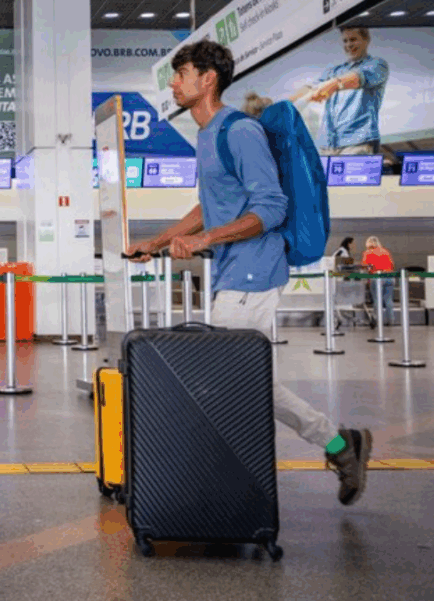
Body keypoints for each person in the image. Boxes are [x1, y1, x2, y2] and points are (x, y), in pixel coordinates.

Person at [126, 40, 372, 506]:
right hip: (234, 271)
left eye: (181, 74)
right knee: (239, 376)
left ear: (208, 79)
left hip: (255, 270)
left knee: (228, 377)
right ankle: (340, 445)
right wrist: (156, 242)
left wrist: (204, 241)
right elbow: (212, 206)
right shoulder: (206, 133)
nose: (174, 84)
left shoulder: (238, 132)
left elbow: (271, 207)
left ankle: (230, 478)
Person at [291, 27, 389, 156]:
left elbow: (357, 78)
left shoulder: (377, 65)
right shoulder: (334, 71)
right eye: (345, 41)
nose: (349, 45)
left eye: (353, 40)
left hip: (357, 142)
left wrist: (332, 84)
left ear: (366, 40)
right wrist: (286, 103)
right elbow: (310, 88)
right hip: (326, 144)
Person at [361, 236, 395, 326]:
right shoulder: (385, 251)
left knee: (377, 300)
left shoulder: (368, 253)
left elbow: (368, 267)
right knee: (388, 300)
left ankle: (378, 321)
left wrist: (368, 280)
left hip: (377, 277)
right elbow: (392, 265)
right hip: (390, 277)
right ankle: (391, 321)